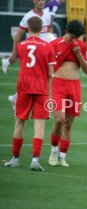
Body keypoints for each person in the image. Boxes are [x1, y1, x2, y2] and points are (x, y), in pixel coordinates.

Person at [4, 16, 56, 171]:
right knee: (39, 125)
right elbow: (51, 73)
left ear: (28, 28)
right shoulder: (47, 46)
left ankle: (15, 158)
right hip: (40, 87)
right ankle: (35, 159)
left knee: (20, 122)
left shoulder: (20, 46)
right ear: (41, 29)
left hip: (23, 86)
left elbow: (16, 60)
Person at [48, 20, 87, 167]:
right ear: (66, 31)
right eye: (72, 37)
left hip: (74, 86)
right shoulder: (54, 44)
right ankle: (53, 151)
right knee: (59, 119)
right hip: (59, 84)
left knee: (68, 124)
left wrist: (78, 54)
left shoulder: (82, 46)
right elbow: (48, 67)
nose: (73, 40)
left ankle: (62, 156)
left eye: (76, 38)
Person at [2, 0, 53, 75]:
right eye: (39, 0)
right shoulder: (28, 16)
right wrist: (14, 52)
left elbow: (49, 29)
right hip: (34, 46)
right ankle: (7, 61)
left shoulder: (48, 15)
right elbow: (18, 35)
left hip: (43, 48)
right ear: (34, 1)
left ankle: (6, 61)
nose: (41, 2)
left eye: (43, 0)